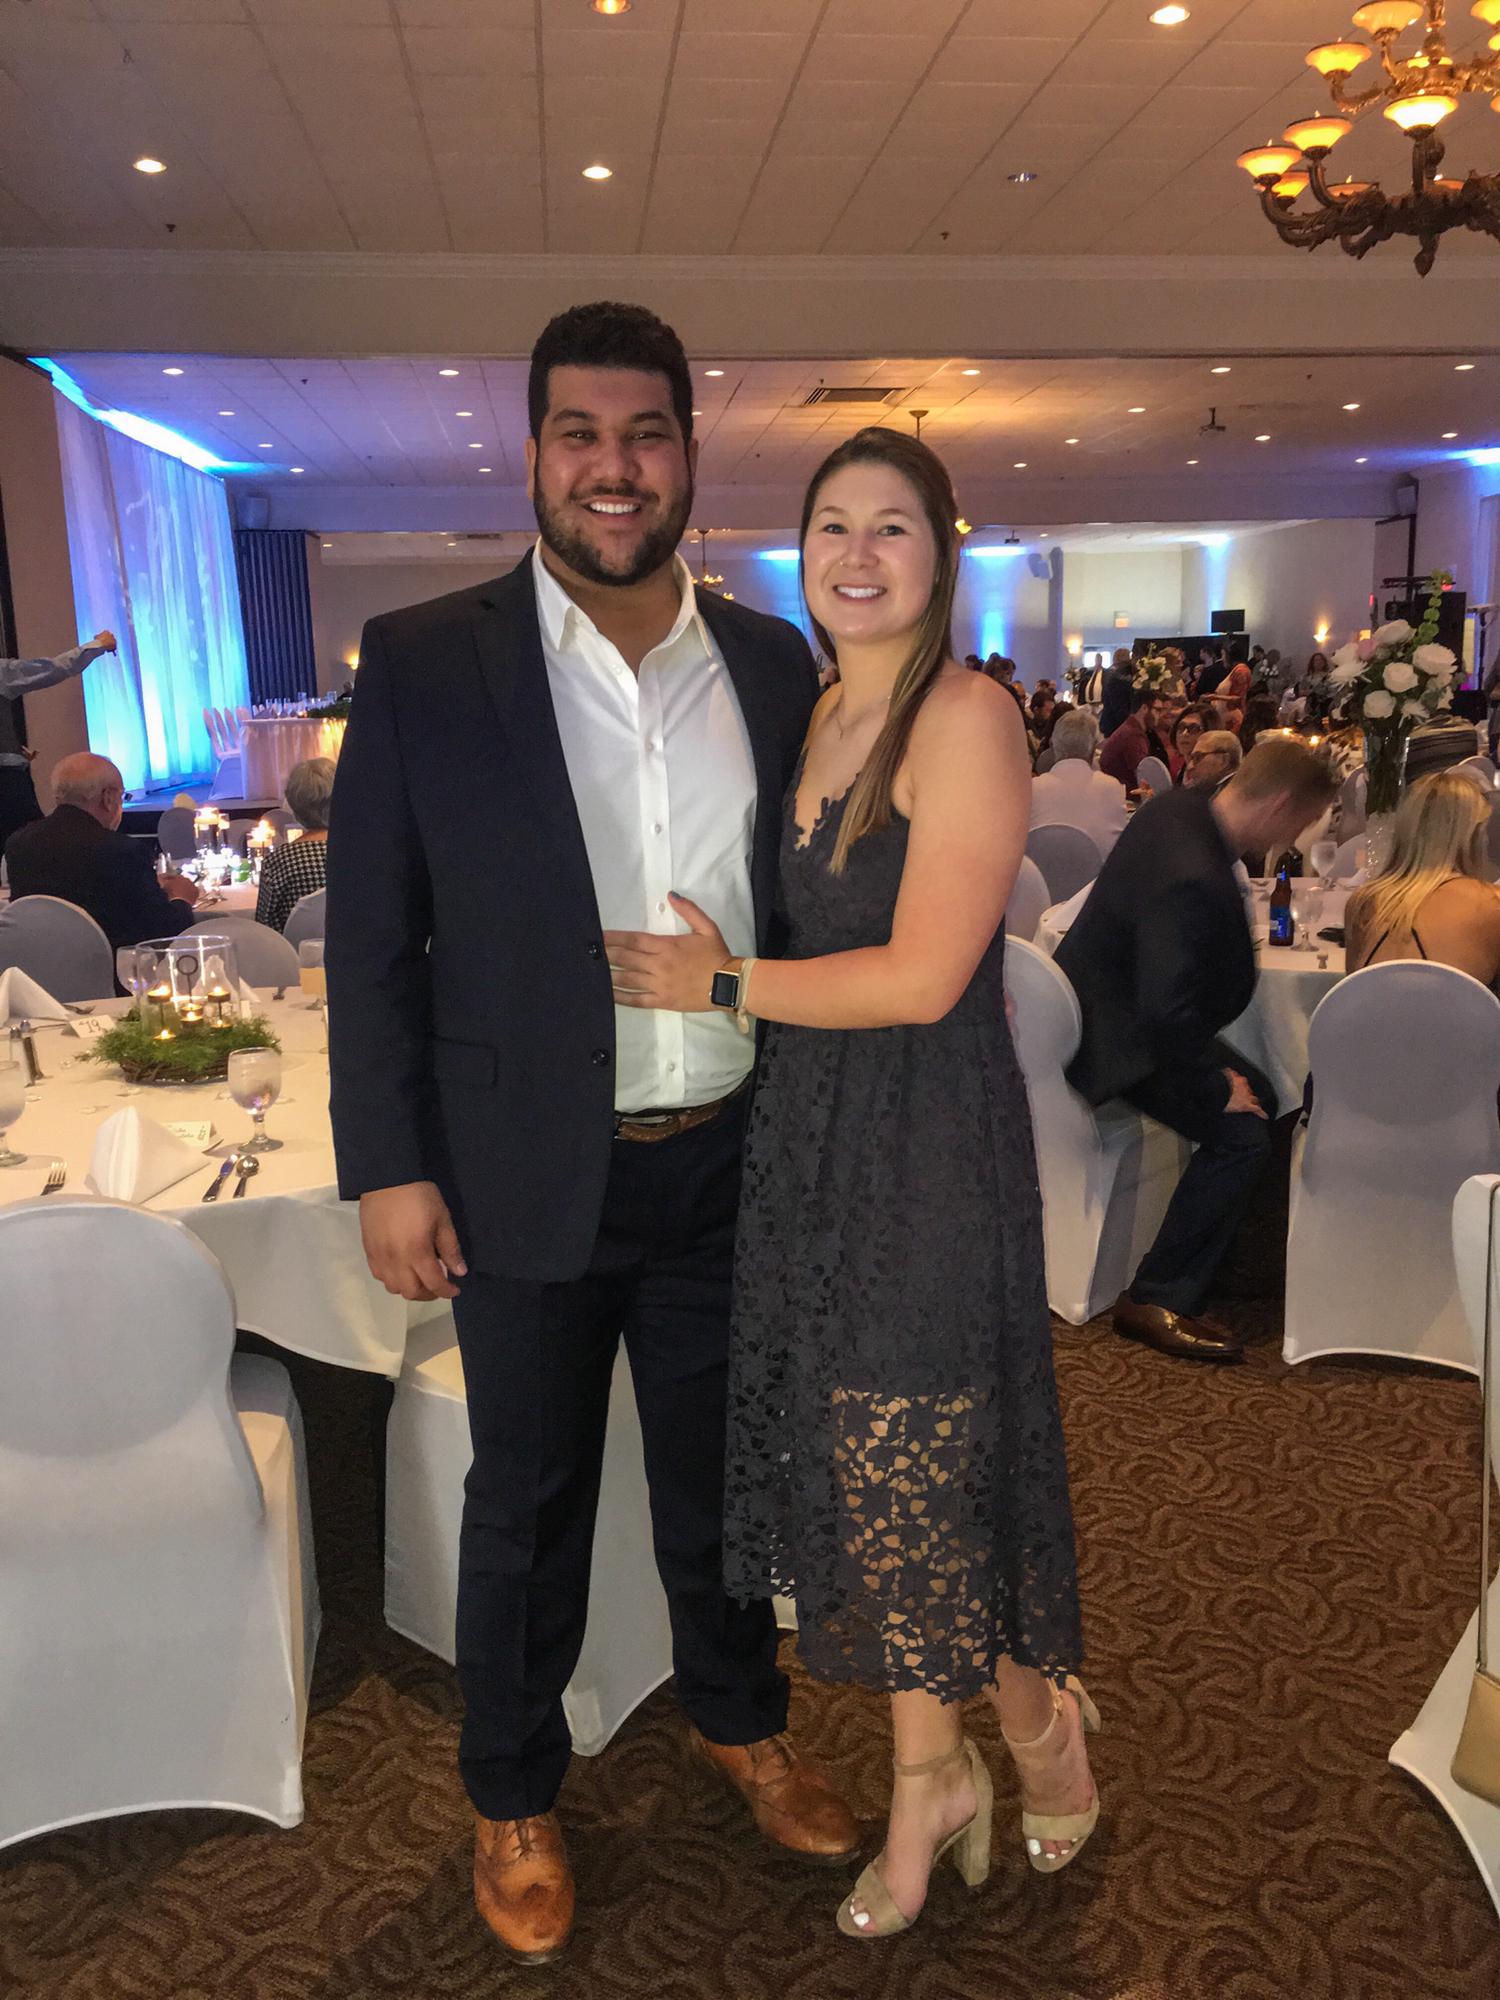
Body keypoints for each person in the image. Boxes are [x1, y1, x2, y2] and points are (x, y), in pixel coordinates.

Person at [325, 301, 853, 1968]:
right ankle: (510, 1791)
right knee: (529, 1501)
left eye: (644, 435)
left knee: (727, 1484)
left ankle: (740, 1720)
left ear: (689, 454)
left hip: (731, 1159)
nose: (612, 469)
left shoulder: (769, 662)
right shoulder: (426, 659)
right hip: (520, 1171)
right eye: (579, 434)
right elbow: (373, 940)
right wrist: (387, 1164)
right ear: (534, 453)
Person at [605, 426, 1094, 1942]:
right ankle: (978, 1749)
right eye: (833, 524)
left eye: (894, 526)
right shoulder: (817, 712)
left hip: (927, 1146)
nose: (860, 553)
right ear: (801, 549)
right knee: (882, 1469)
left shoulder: (968, 717)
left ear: (941, 556)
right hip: (811, 1139)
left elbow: (927, 974)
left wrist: (720, 982)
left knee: (917, 1468)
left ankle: (994, 1750)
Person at [1055, 739, 1337, 1361]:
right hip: (1116, 1038)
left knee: (1264, 1094)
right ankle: (1156, 1296)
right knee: (1243, 1134)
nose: (1294, 838)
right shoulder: (1192, 873)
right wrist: (1215, 1084)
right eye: (1301, 821)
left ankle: (1216, 1253)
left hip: (1111, 1006)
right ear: (1281, 804)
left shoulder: (1178, 808)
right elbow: (1165, 1012)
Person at [3, 750, 199, 956]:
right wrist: (182, 898)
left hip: (36, 967)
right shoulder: (122, 851)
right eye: (122, 796)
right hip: (109, 969)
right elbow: (162, 932)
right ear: (108, 798)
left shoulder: (19, 844)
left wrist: (148, 883)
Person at [1345, 770, 1500, 986]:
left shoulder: (1363, 902)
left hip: (1374, 1010)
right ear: (1474, 836)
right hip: (1455, 1010)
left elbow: (1353, 993)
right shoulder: (1491, 903)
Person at [0, 630, 116, 851]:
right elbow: (53, 669)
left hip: (9, 776)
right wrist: (98, 645)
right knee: (36, 847)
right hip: (7, 783)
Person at [1030, 708, 1127, 857]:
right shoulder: (1112, 788)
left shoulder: (1032, 789)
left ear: (1053, 744)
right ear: (1093, 748)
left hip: (1044, 870)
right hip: (1101, 871)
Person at [253, 756, 333, 933]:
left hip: (295, 950)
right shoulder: (366, 854)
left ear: (291, 803)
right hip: (360, 949)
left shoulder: (277, 862)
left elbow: (266, 931)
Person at [1098, 685, 1167, 792]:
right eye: (1158, 710)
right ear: (1144, 708)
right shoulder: (1133, 735)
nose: (1160, 715)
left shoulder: (1129, 728)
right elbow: (1144, 777)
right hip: (1125, 796)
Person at [1183, 728, 1242, 793]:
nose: (1190, 766)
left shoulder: (1235, 794)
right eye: (1192, 758)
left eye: (1198, 757)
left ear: (1223, 761)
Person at [1097, 647, 1135, 736]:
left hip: (1109, 719)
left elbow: (1104, 696)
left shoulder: (1108, 672)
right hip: (1121, 719)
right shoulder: (1128, 674)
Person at [1167, 703, 1208, 782]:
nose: (1184, 733)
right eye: (1181, 727)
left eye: (1193, 728)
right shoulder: (1179, 768)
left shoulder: (1212, 775)